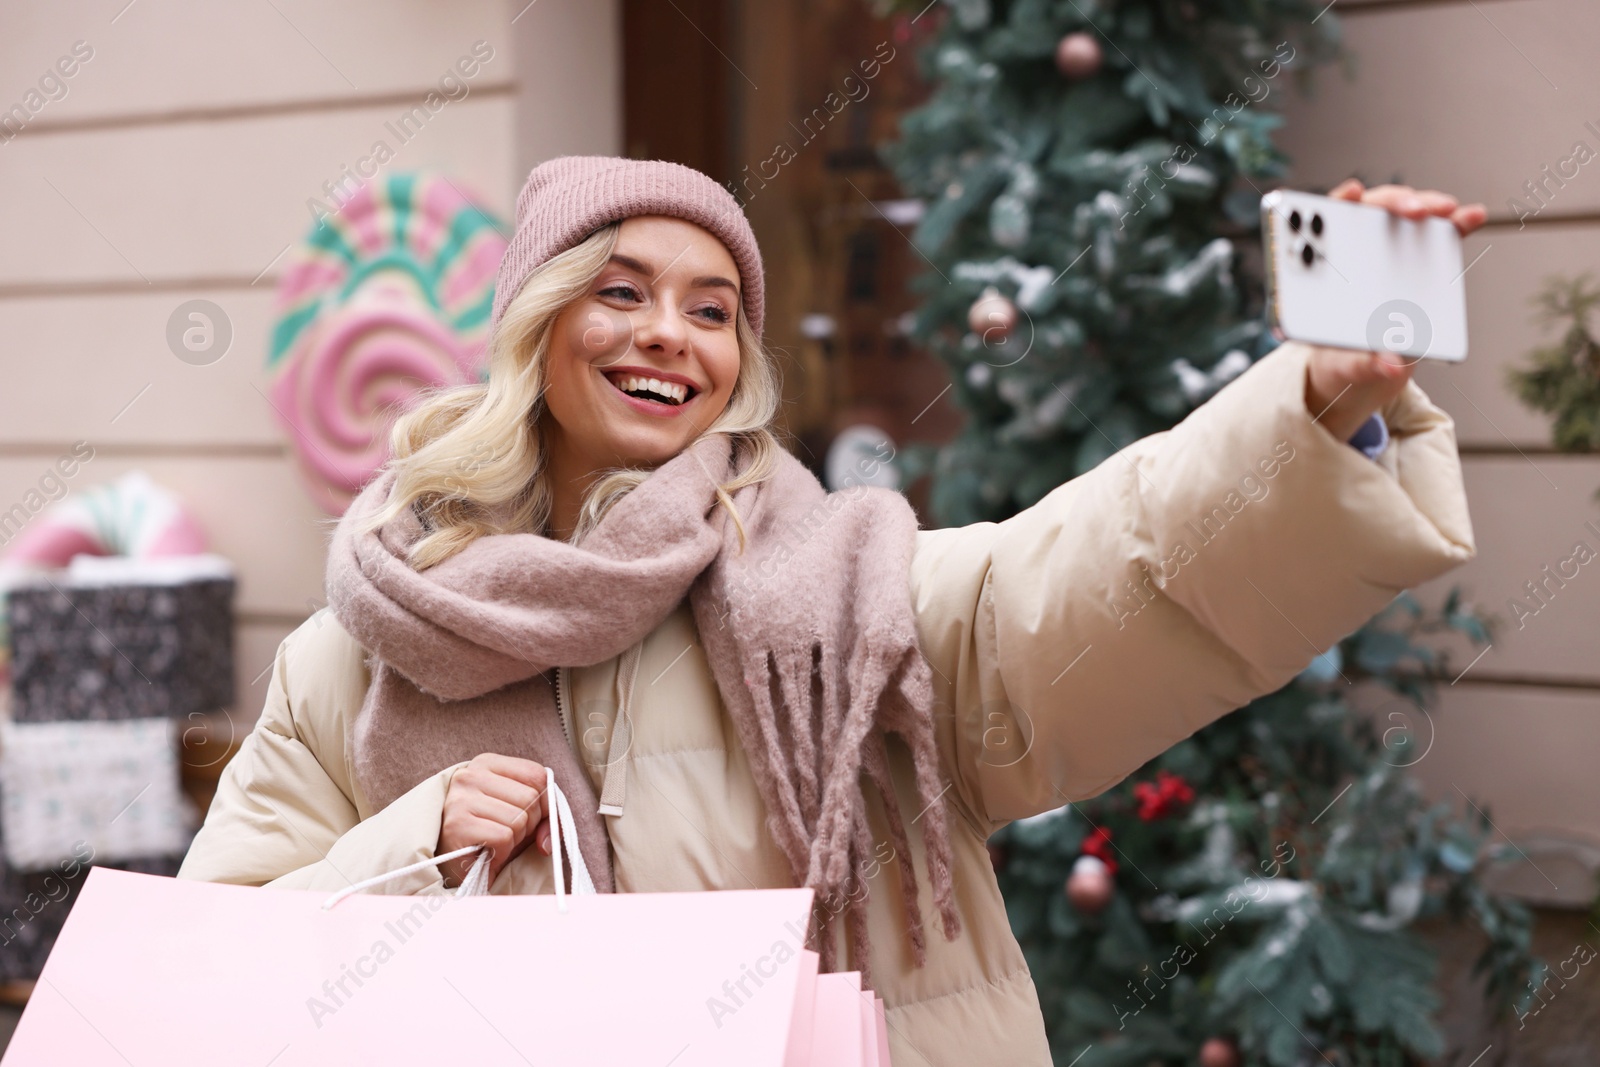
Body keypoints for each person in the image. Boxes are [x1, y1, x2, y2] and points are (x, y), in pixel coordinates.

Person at [178, 157, 1484, 1064]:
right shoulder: (363, 645)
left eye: (714, 309)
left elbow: (1118, 565)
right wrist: (420, 840)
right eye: (621, 290)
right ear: (535, 318)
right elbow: (216, 979)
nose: (669, 336)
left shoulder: (852, 593)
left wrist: (1313, 403)